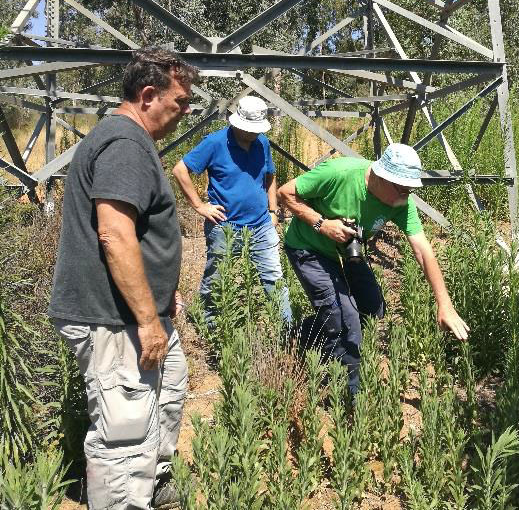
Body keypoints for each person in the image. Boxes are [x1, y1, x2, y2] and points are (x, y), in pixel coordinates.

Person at [48, 46, 198, 510]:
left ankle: (154, 483)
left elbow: (140, 232)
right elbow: (114, 233)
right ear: (149, 95)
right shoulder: (126, 143)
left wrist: (162, 295)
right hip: (115, 320)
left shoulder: (129, 142)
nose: (185, 111)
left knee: (169, 386)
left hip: (135, 314)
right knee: (125, 433)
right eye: (181, 102)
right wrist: (147, 320)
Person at [278, 143, 470, 395]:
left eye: (410, 189)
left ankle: (299, 336)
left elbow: (422, 249)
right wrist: (322, 224)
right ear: (380, 176)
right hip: (308, 247)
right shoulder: (339, 173)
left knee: (372, 307)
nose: (406, 196)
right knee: (345, 319)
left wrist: (444, 304)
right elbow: (285, 193)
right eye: (402, 188)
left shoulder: (401, 201)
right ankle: (349, 396)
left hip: (346, 253)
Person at [172, 96, 291, 329]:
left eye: (257, 130)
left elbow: (270, 174)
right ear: (236, 123)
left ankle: (287, 332)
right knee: (217, 279)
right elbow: (180, 170)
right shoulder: (215, 143)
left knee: (274, 279)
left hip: (261, 225)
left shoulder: (262, 143)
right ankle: (211, 330)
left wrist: (273, 210)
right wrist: (199, 206)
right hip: (225, 226)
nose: (253, 134)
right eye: (249, 130)